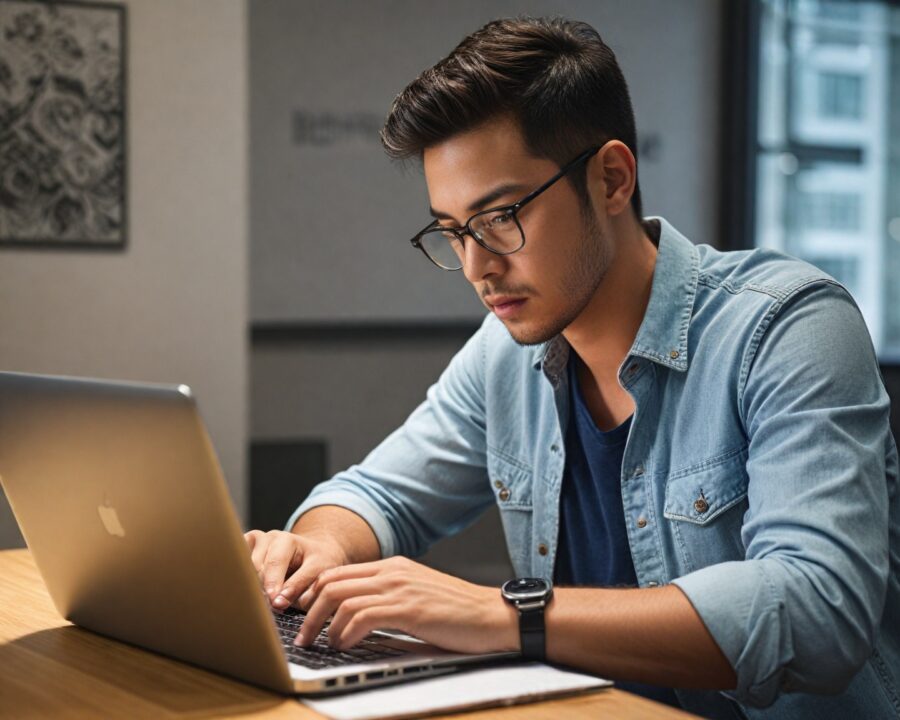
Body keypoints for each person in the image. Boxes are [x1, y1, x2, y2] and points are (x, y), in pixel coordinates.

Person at [243, 16, 900, 718]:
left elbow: (816, 611)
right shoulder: (506, 354)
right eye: (454, 231)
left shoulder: (787, 326)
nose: (477, 267)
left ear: (611, 179)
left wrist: (506, 615)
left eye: (501, 217)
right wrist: (312, 549)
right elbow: (379, 494)